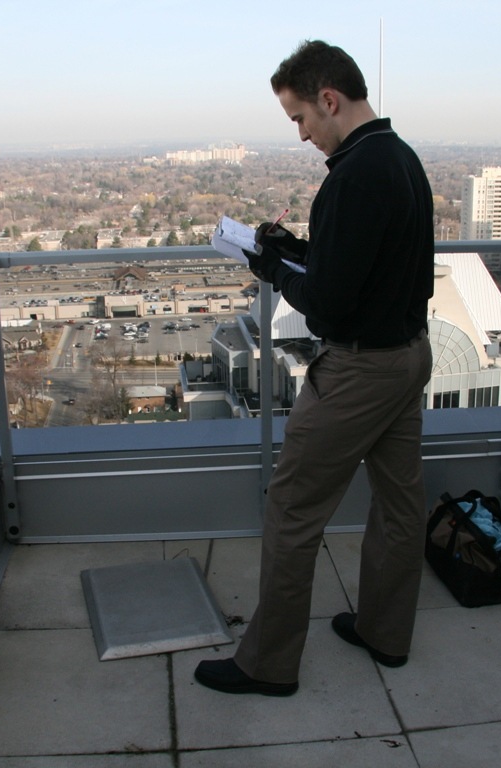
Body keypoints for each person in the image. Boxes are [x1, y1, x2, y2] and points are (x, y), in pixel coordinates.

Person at [194, 39, 435, 696]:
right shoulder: (401, 159)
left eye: (300, 118)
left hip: (360, 370)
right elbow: (358, 268)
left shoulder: (352, 178)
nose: (302, 134)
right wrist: (293, 248)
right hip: (410, 354)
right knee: (399, 501)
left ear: (329, 99)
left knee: (293, 507)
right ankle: (386, 632)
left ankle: (266, 664)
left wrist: (268, 263)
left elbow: (326, 303)